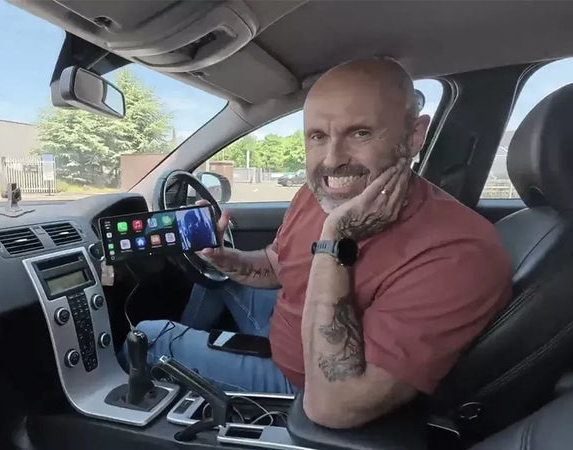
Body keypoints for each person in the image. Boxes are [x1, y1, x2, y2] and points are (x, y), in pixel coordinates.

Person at [121, 57, 512, 428]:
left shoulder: (460, 252)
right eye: (318, 136)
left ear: (414, 136)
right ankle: (198, 372)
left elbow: (333, 406)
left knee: (151, 336)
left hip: (303, 382)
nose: (332, 159)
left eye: (360, 132)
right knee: (221, 283)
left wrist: (336, 238)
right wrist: (226, 259)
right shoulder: (316, 193)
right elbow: (278, 265)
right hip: (285, 330)